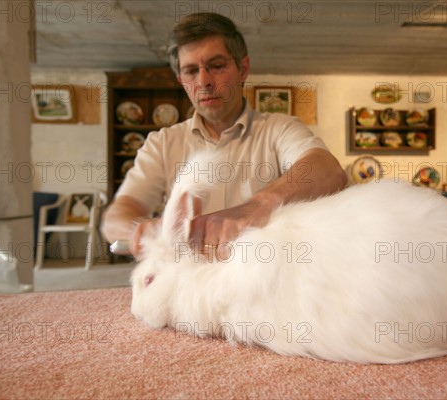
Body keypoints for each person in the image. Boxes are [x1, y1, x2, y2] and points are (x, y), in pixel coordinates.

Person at [101, 12, 347, 259]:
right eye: (190, 71)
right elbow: (114, 220)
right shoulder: (162, 143)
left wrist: (256, 207)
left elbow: (327, 170)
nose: (204, 81)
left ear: (243, 69)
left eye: (217, 66)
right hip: (190, 283)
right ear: (181, 81)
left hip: (265, 278)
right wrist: (145, 230)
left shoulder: (279, 129)